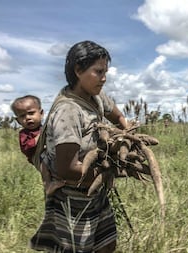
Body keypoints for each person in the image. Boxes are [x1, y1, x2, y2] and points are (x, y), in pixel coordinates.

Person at [30, 40, 127, 253]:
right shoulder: (69, 111)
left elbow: (118, 115)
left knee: (107, 244)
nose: (104, 78)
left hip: (94, 190)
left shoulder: (96, 97)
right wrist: (114, 170)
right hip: (73, 195)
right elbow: (68, 168)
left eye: (106, 72)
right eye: (98, 71)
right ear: (78, 70)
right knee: (75, 248)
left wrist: (127, 135)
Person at [11, 95, 62, 196]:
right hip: (38, 157)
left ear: (41, 113)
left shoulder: (45, 128)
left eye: (31, 113)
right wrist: (39, 137)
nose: (28, 118)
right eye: (22, 116)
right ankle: (48, 185)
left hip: (51, 154)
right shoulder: (24, 133)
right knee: (44, 163)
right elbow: (25, 148)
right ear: (18, 121)